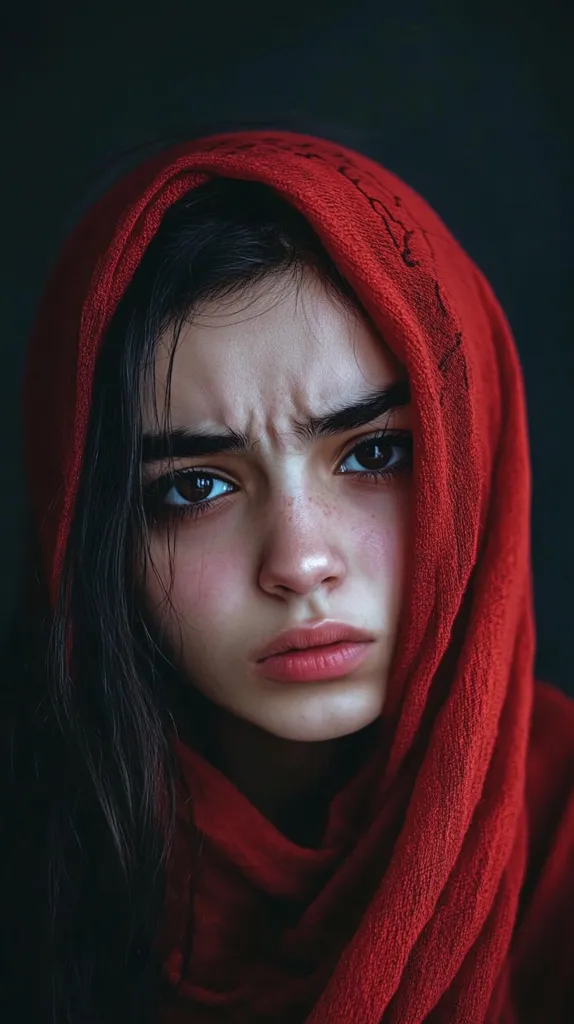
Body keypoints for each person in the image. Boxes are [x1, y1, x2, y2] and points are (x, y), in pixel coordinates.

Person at [2, 127, 573, 1023]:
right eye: (195, 486)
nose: (300, 563)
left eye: (376, 452)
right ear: (91, 526)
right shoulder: (34, 874)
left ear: (475, 458)